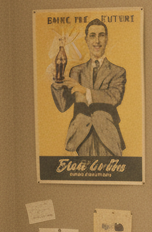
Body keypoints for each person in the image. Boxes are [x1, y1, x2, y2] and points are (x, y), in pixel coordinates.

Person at [50, 18, 126, 157]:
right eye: (92, 36)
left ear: (107, 39)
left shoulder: (117, 71)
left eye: (101, 35)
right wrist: (58, 84)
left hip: (108, 137)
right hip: (80, 137)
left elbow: (114, 97)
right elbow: (62, 106)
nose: (97, 41)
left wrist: (85, 91)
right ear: (86, 40)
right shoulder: (76, 71)